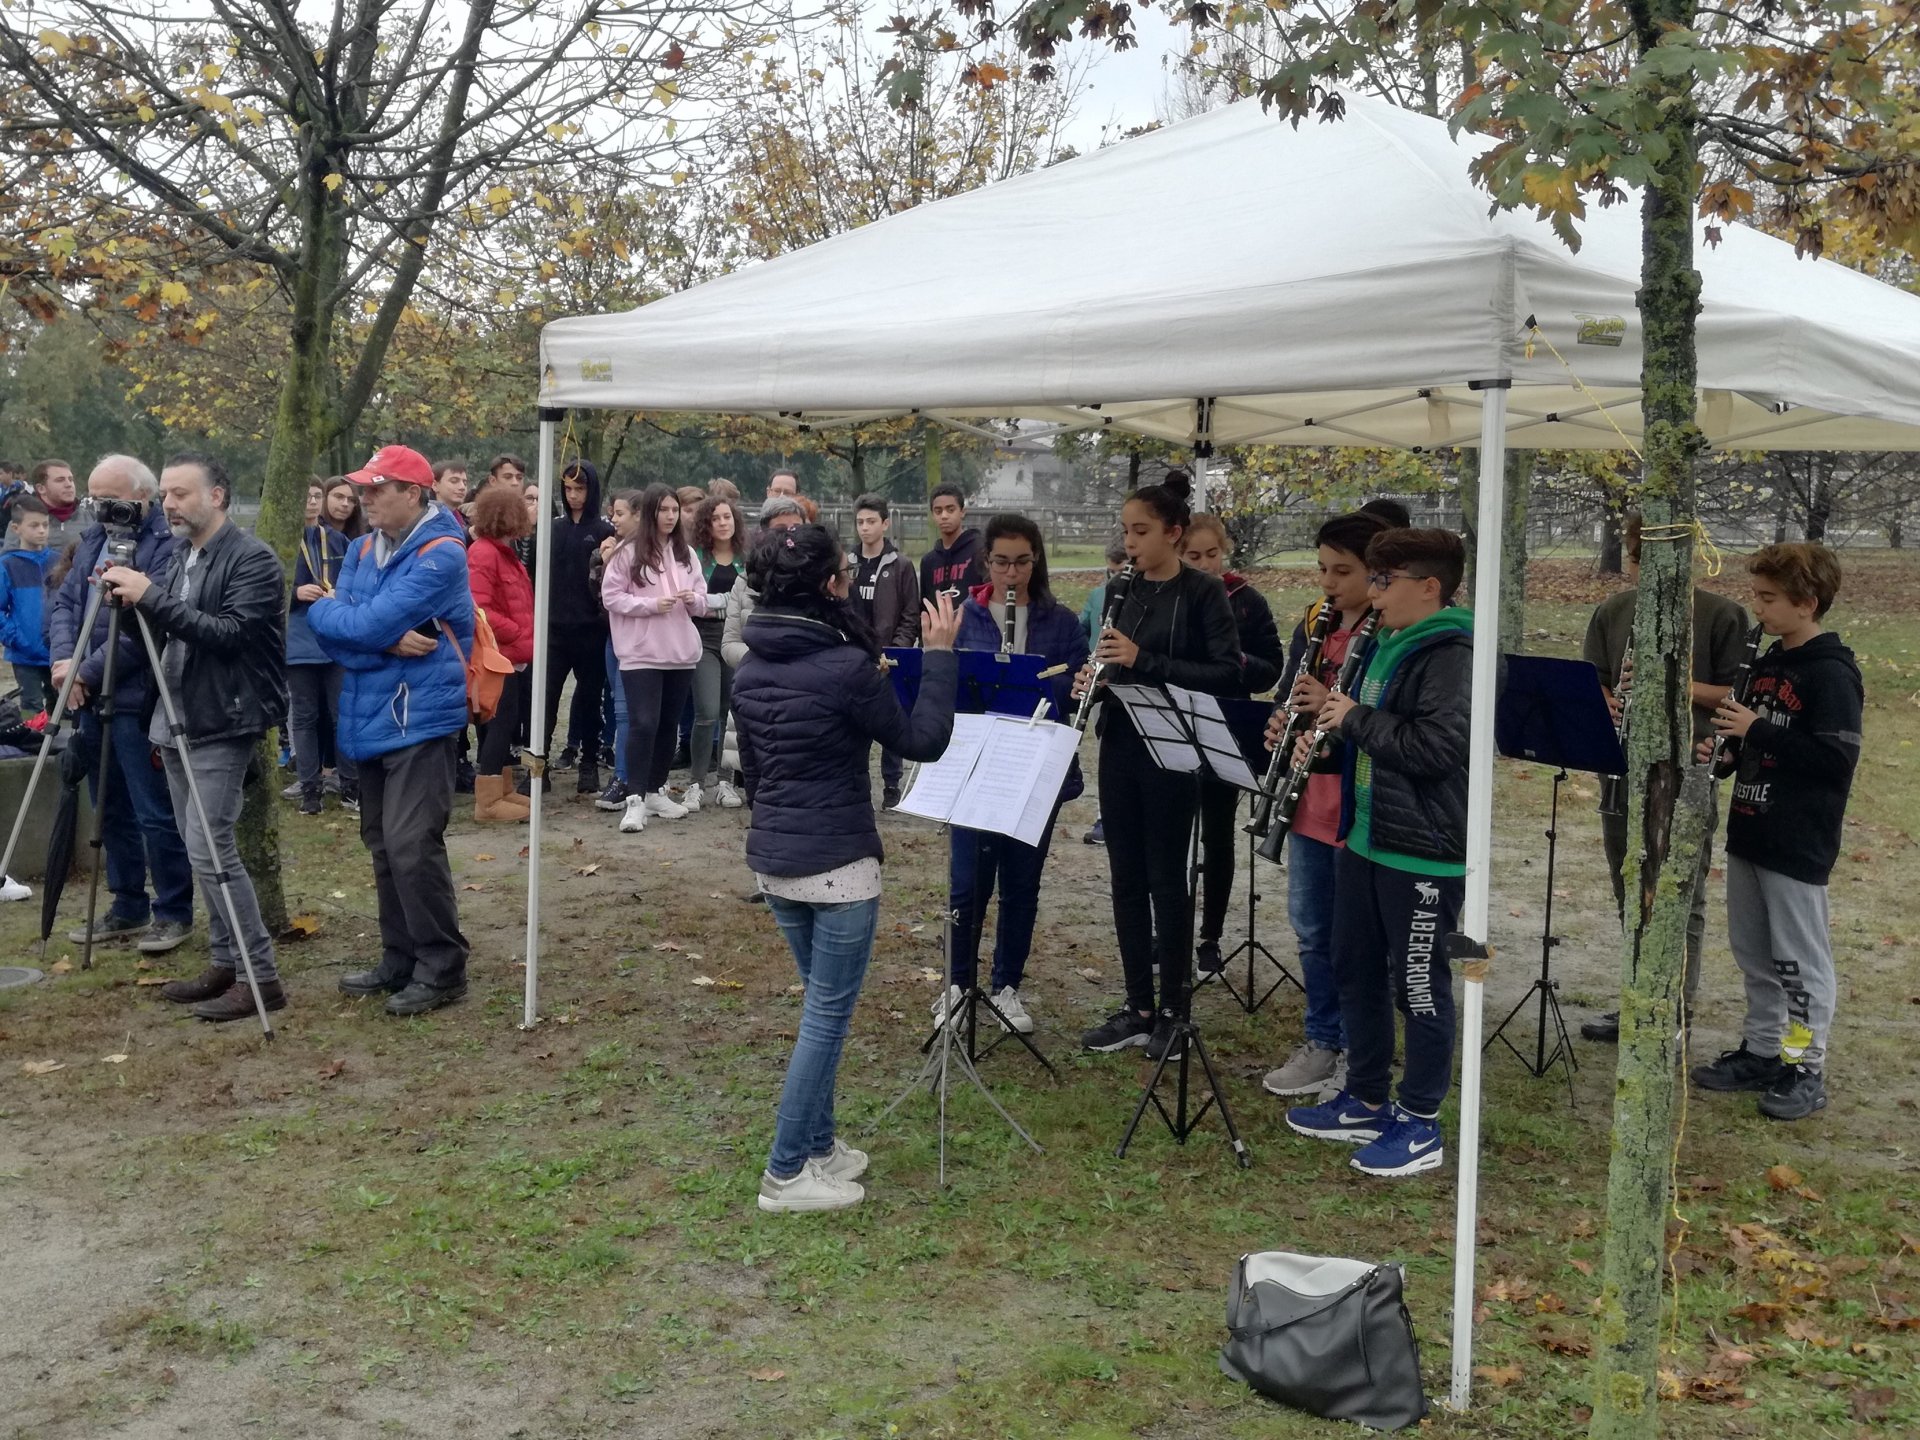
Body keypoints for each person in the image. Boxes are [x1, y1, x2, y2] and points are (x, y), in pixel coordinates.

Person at [733, 524, 960, 1212]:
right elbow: (924, 739)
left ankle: (821, 1147)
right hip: (836, 866)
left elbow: (759, 768)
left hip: (775, 859)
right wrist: (941, 656)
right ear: (831, 586)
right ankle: (783, 1174)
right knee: (826, 1021)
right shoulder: (843, 668)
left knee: (819, 1011)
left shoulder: (751, 667)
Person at [1284, 527, 1472, 1179]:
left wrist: (1352, 717)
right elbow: (1370, 738)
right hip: (1365, 836)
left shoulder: (1453, 651)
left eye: (1386, 581)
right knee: (1353, 966)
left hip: (1423, 850)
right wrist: (1323, 732)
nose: (1374, 592)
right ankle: (1364, 1095)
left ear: (1430, 587)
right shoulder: (1388, 642)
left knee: (1418, 985)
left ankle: (1420, 1120)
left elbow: (1438, 749)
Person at [99, 454, 289, 1022]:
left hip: (222, 721)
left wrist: (150, 595)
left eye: (182, 494)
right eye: (165, 497)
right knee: (196, 847)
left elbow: (228, 635)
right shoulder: (182, 554)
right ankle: (224, 961)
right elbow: (164, 634)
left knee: (212, 848)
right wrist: (129, 606)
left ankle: (262, 978)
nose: (171, 506)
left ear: (219, 497)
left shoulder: (253, 559)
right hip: (174, 716)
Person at [1071, 471, 1241, 1059]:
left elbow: (1228, 673)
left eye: (1141, 531)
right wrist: (1092, 682)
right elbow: (1113, 665)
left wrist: (1144, 659)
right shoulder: (1124, 589)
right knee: (1125, 878)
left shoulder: (1203, 593)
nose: (1131, 543)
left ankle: (1175, 1008)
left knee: (1168, 880)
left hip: (1174, 750)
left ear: (1173, 533)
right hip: (1122, 743)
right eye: (1126, 532)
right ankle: (1137, 1005)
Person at [1691, 543, 1862, 1122]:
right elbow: (1748, 743)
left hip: (1797, 837)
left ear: (1807, 603)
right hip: (1751, 828)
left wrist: (1757, 729)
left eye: (1768, 599)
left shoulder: (1831, 673)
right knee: (1755, 954)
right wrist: (1726, 750)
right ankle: (1763, 1050)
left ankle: (1804, 1064)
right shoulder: (1765, 664)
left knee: (1797, 963)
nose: (1757, 609)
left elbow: (1834, 761)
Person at [307, 444, 474, 1016]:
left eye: (379, 488)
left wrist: (363, 631)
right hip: (371, 713)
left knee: (411, 844)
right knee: (381, 843)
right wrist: (381, 639)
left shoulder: (443, 552)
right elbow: (324, 625)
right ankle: (399, 955)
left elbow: (358, 621)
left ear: (414, 493)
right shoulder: (359, 547)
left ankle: (442, 965)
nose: (365, 497)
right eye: (364, 487)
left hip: (420, 718)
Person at [1579, 511, 1749, 1042]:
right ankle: (1637, 998)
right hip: (1622, 767)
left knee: (1680, 892)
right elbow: (1595, 684)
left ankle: (1673, 1013)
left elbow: (1737, 693)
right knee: (1629, 887)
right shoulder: (1613, 611)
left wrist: (1670, 682)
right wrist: (1608, 700)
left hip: (1688, 770)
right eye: (1636, 562)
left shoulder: (1722, 615)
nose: (1642, 572)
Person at [933, 514, 1088, 1037]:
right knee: (966, 883)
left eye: (1022, 561)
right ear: (986, 563)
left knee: (1022, 884)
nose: (1012, 572)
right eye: (1001, 561)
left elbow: (1073, 691)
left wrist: (1077, 682)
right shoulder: (965, 615)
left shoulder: (1061, 622)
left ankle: (1006, 986)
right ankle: (956, 985)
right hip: (977, 762)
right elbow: (942, 679)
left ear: (1036, 561)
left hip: (1034, 766)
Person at [1258, 510, 1392, 1102]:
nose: (1329, 583)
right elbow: (1292, 688)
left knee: (1357, 938)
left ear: (1377, 574)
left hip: (1361, 802)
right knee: (1311, 928)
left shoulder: (1390, 633)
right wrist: (1285, 719)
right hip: (1308, 796)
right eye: (1322, 569)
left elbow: (1387, 717)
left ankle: (1359, 1056)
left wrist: (1333, 703)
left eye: (1343, 571)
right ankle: (1322, 1040)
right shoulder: (1318, 624)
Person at [48, 455, 196, 955]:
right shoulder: (94, 537)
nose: (100, 510)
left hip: (136, 696)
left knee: (153, 810)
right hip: (85, 690)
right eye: (93, 499)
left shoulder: (167, 544)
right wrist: (65, 664)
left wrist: (85, 671)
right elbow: (68, 602)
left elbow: (148, 626)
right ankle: (127, 901)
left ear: (142, 497)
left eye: (110, 500)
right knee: (107, 806)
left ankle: (174, 910)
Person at [1179, 513, 1284, 975]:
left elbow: (1272, 669)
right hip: (1175, 721)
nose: (1204, 565)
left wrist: (1231, 658)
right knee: (1173, 834)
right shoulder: (1170, 595)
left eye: (1212, 554)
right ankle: (1172, 928)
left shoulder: (1247, 601)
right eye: (1192, 556)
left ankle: (1210, 937)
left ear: (1226, 550)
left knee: (1218, 836)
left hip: (1229, 724)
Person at [602, 483, 707, 833]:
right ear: (650, 512)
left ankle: (654, 790)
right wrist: (649, 606)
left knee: (668, 725)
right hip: (640, 653)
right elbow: (611, 597)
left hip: (680, 653)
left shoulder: (686, 553)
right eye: (663, 510)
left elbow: (703, 597)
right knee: (643, 723)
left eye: (674, 510)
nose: (670, 516)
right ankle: (634, 800)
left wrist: (694, 600)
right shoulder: (626, 553)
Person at [285, 479, 363, 816]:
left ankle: (350, 786)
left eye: (317, 496)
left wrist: (341, 596)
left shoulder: (337, 540)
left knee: (342, 712)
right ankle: (310, 791)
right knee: (304, 717)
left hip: (334, 639)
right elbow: (263, 587)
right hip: (299, 639)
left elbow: (357, 582)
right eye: (307, 495)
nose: (313, 501)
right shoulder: (283, 542)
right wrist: (295, 592)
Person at [543, 459, 614, 794]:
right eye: (568, 488)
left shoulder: (604, 531)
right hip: (554, 631)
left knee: (589, 700)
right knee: (545, 702)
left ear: (592, 489)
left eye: (580, 488)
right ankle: (538, 767)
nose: (573, 495)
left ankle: (589, 764)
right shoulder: (551, 528)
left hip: (591, 630)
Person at [466, 483, 536, 823]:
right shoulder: (484, 553)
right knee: (500, 724)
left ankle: (502, 789)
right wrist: (517, 632)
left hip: (513, 653)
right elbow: (478, 606)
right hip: (498, 654)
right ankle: (488, 802)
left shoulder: (506, 554)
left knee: (506, 725)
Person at [850, 493, 922, 809]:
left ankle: (892, 785)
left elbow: (910, 612)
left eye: (871, 522)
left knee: (892, 721)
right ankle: (855, 783)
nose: (864, 528)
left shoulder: (901, 565)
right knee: (855, 723)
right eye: (860, 522)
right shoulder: (846, 564)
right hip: (854, 656)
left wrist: (899, 649)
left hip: (889, 657)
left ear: (885, 523)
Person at [689, 495, 747, 810]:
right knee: (707, 712)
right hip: (703, 641)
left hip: (736, 640)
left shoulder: (746, 558)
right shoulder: (696, 558)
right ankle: (696, 782)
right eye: (716, 518)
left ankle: (725, 782)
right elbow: (694, 602)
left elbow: (747, 600)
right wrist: (723, 604)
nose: (723, 523)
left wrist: (714, 604)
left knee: (730, 712)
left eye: (727, 517)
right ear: (706, 525)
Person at [591, 492, 643, 810]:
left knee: (627, 711)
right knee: (619, 706)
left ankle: (624, 778)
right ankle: (626, 776)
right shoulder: (612, 548)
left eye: (620, 513)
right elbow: (600, 594)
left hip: (638, 641)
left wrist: (611, 562)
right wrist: (604, 561)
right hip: (614, 635)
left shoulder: (653, 552)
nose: (614, 519)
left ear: (638, 515)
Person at [1078, 540, 1130, 846]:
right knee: (1105, 752)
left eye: (1120, 572)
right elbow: (1082, 626)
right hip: (1102, 683)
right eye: (1110, 572)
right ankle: (1104, 817)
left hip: (1131, 681)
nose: (1114, 579)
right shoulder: (1099, 594)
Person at [720, 495, 806, 670]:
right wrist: (763, 662)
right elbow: (730, 643)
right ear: (764, 532)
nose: (789, 535)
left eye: (796, 528)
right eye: (780, 529)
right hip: (755, 680)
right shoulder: (745, 581)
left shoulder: (816, 578)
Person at [0, 496, 56, 712]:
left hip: (56, 650)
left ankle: (61, 745)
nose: (41, 530)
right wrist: (14, 638)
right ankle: (32, 744)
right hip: (24, 652)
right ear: (16, 528)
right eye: (34, 525)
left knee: (63, 703)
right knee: (31, 704)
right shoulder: (7, 565)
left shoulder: (59, 562)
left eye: (45, 524)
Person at [919, 482, 985, 606]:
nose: (944, 516)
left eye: (950, 510)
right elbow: (925, 606)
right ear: (932, 515)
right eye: (938, 511)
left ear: (962, 512)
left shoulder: (980, 550)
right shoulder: (928, 562)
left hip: (973, 624)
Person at [18, 459, 85, 553]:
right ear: (41, 489)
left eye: (71, 479)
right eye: (60, 480)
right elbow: (9, 561)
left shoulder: (92, 519)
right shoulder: (22, 520)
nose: (69, 485)